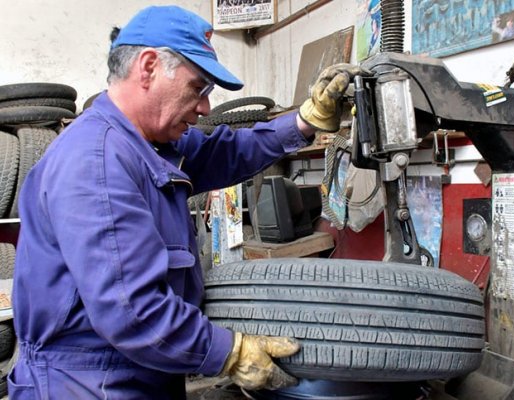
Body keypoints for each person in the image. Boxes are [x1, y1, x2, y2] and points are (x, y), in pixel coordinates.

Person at [8, 5, 365, 399]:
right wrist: (230, 352)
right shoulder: (97, 163)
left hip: (144, 370)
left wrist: (305, 121)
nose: (205, 108)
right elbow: (132, 312)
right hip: (90, 384)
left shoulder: (151, 145)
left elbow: (230, 151)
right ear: (147, 68)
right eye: (199, 88)